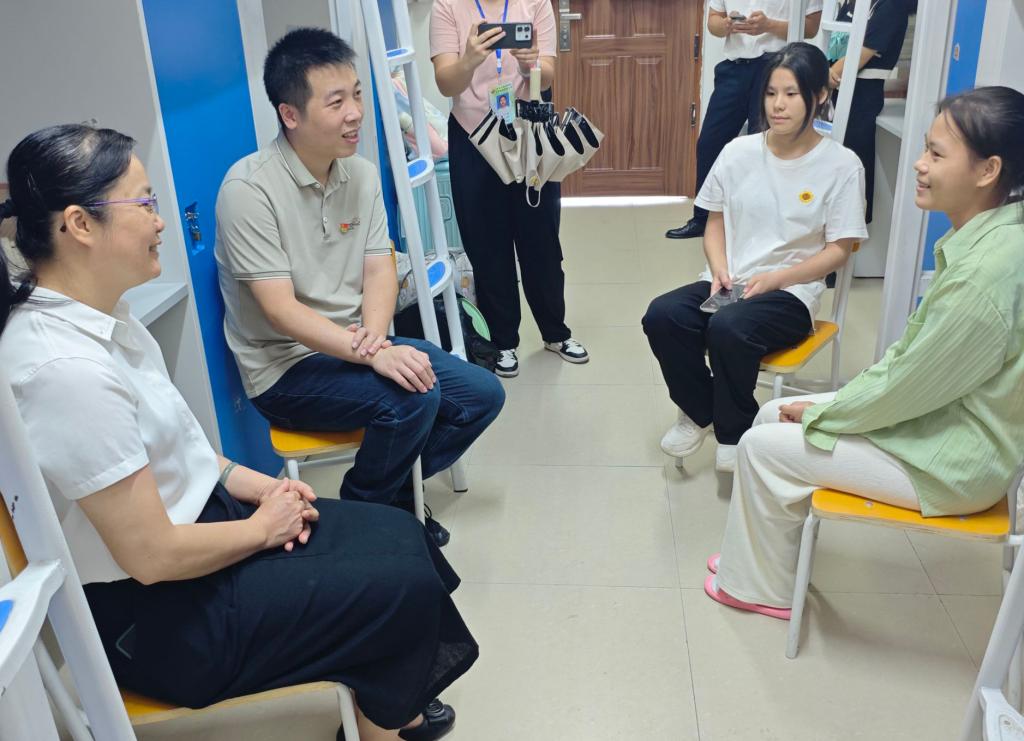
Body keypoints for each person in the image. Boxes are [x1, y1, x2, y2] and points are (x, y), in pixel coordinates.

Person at [0, 123, 478, 741]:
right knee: (395, 585)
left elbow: (188, 454)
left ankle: (385, 706)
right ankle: (389, 715)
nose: (161, 221)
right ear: (80, 224)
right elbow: (152, 557)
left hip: (200, 540)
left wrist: (262, 488)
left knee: (399, 533)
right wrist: (262, 530)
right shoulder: (63, 368)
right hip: (160, 621)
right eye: (144, 203)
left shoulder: (106, 318)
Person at [704, 86, 1024, 619]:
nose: (919, 164)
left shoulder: (982, 276)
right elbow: (913, 369)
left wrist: (828, 412)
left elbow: (909, 388)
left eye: (936, 154)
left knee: (760, 446)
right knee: (769, 414)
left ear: (988, 171)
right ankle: (760, 563)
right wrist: (834, 406)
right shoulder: (994, 237)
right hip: (940, 423)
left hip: (950, 461)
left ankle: (758, 589)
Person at [215, 29, 505, 548]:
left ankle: (384, 495)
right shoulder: (248, 190)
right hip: (284, 368)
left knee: (482, 394)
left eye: (356, 94)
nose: (355, 113)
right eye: (336, 102)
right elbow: (280, 311)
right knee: (413, 401)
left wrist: (374, 341)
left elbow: (378, 269)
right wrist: (372, 354)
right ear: (290, 114)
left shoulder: (362, 175)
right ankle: (371, 515)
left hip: (354, 346)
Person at [644, 42, 867, 473]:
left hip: (791, 294)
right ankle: (701, 412)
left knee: (728, 327)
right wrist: (719, 267)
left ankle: (734, 432)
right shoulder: (738, 152)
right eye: (770, 93)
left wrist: (780, 278)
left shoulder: (841, 165)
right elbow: (714, 220)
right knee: (663, 316)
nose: (778, 105)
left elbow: (839, 250)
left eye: (791, 94)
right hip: (731, 283)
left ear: (820, 95)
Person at [430, 0, 589, 378]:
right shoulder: (446, 6)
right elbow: (445, 82)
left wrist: (530, 63)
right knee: (487, 245)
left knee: (542, 240)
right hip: (472, 135)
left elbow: (546, 78)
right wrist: (469, 59)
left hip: (528, 133)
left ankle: (555, 332)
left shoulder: (535, 3)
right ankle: (503, 341)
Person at [666, 0, 823, 241]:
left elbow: (811, 27)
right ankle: (703, 218)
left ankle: (760, 224)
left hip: (776, 67)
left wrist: (769, 26)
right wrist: (726, 25)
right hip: (734, 67)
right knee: (710, 143)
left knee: (764, 148)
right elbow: (713, 22)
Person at [827, 0, 913, 223]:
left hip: (861, 93)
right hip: (836, 88)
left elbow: (863, 52)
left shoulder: (891, 6)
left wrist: (824, 77)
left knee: (852, 160)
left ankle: (851, 223)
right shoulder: (853, 4)